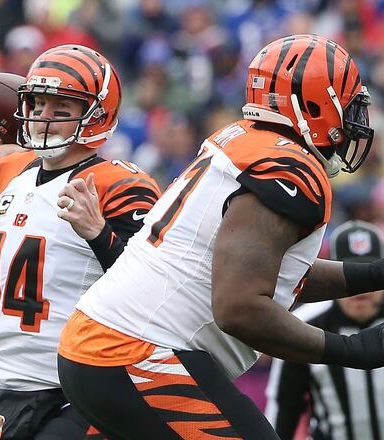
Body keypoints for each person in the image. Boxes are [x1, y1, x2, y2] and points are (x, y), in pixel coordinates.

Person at [56, 34, 377, 439]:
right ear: (313, 104)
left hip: (104, 342)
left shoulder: (247, 140)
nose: (354, 119)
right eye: (346, 105)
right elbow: (238, 307)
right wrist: (351, 350)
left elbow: (271, 276)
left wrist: (374, 274)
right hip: (133, 349)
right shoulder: (288, 167)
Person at [0, 44, 161, 439]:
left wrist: (98, 234)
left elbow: (153, 292)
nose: (44, 119)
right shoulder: (12, 174)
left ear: (96, 115)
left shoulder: (118, 183)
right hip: (4, 381)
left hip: (75, 387)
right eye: (38, 106)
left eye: (61, 110)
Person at [267, 220, 384, 440]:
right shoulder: (303, 323)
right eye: (354, 277)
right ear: (336, 278)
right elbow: (284, 407)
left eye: (369, 276)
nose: (363, 290)